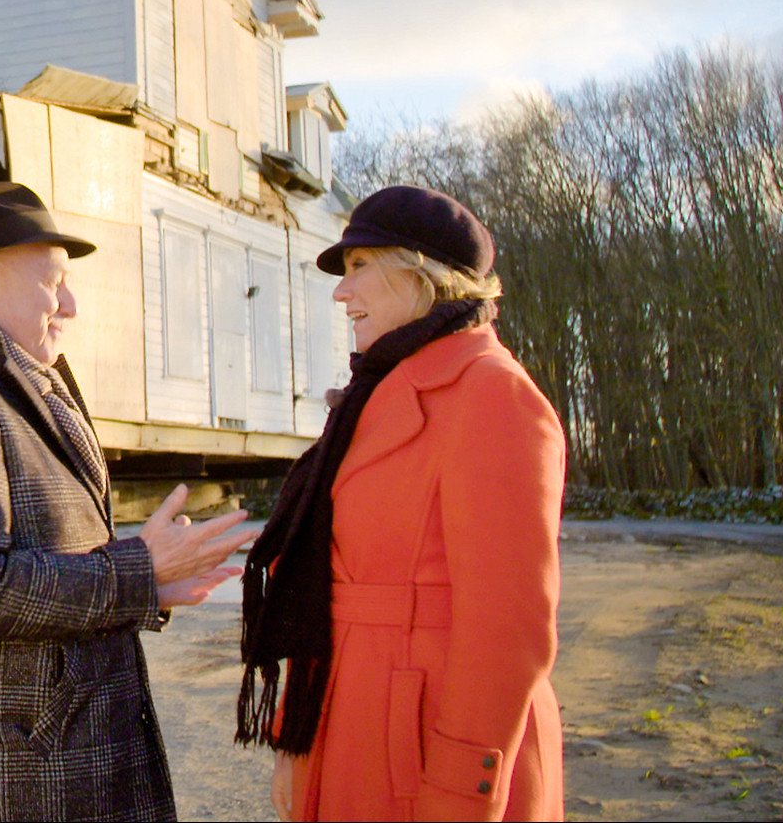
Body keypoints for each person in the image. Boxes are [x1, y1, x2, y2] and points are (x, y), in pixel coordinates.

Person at [0, 182, 256, 822]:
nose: (71, 304)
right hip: (1, 783)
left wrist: (148, 588)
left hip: (50, 765)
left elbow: (50, 563)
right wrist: (138, 571)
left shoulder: (14, 387)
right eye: (54, 282)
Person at [236, 185, 566, 822]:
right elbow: (320, 587)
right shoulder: (377, 392)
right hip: (352, 718)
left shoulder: (493, 397)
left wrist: (460, 788)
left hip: (430, 739)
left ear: (423, 275)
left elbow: (508, 628)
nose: (340, 291)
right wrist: (294, 736)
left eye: (360, 267)